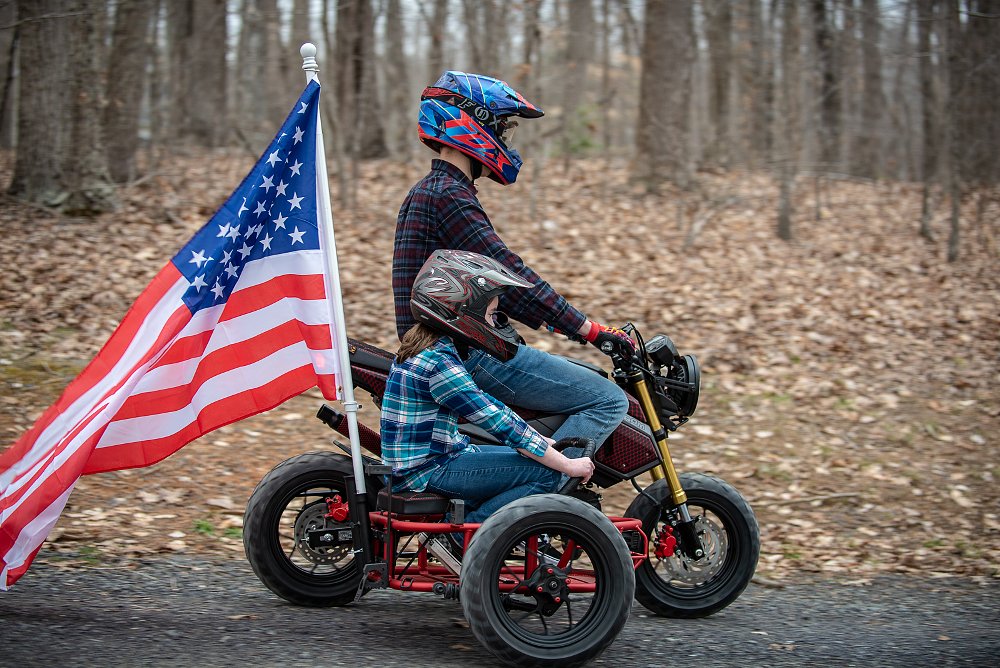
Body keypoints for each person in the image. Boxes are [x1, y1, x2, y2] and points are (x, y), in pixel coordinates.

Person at [393, 71, 632, 454]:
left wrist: (570, 328)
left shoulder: (434, 191)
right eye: (502, 130)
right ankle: (546, 497)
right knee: (607, 400)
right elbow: (513, 275)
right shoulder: (449, 197)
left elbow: (503, 289)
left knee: (578, 375)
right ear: (471, 124)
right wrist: (590, 331)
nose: (505, 142)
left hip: (447, 349)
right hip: (466, 357)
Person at [380, 249, 595, 532]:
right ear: (461, 311)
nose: (495, 323)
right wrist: (566, 465)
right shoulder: (440, 364)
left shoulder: (424, 347)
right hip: (427, 471)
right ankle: (468, 537)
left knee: (519, 456)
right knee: (546, 473)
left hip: (422, 463)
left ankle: (472, 530)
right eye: (491, 314)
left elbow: (492, 410)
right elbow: (496, 420)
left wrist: (541, 441)